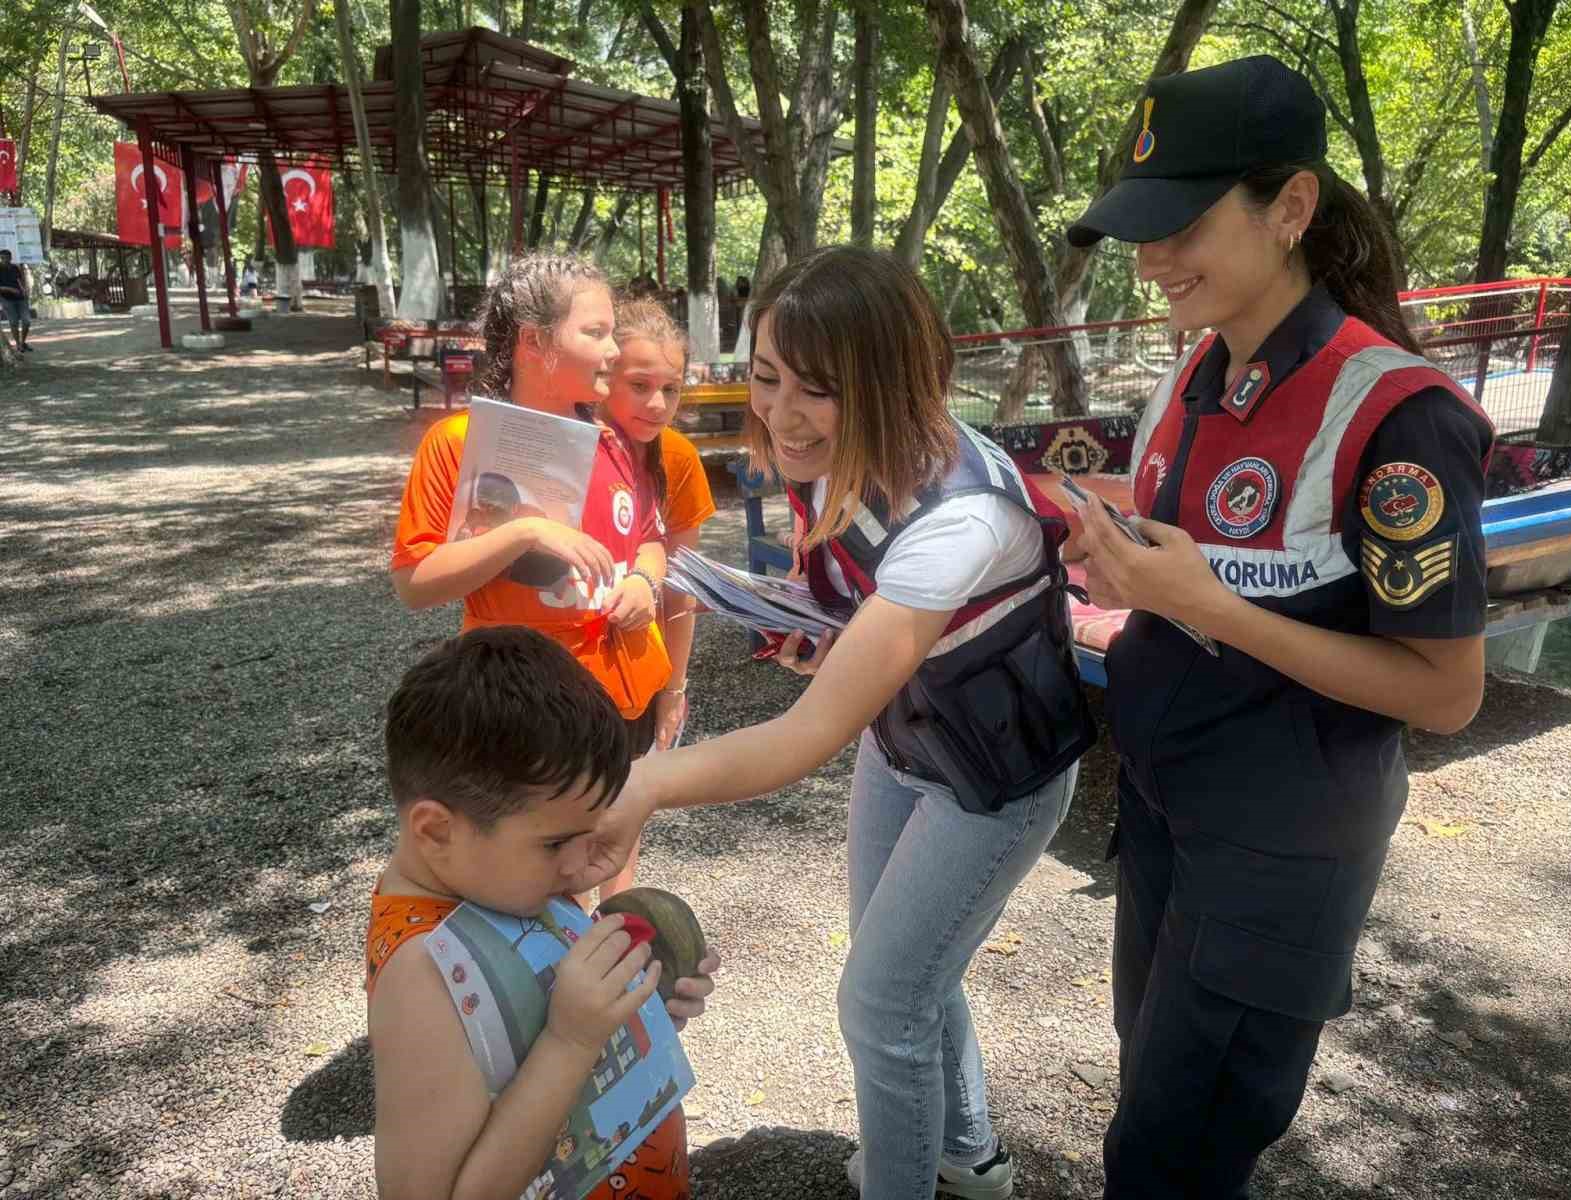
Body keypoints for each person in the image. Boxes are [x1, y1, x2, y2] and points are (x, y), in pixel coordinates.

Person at [572, 246, 1098, 1199]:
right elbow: (855, 607)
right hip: (906, 741)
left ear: (893, 385)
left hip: (996, 780)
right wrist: (810, 626)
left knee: (882, 1003)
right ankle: (969, 1155)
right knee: (909, 963)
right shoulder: (833, 455)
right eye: (767, 379)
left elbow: (801, 738)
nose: (780, 414)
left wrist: (641, 782)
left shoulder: (965, 518)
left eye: (819, 391)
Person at [1062, 55, 1495, 1199]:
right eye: (1141, 229)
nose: (1152, 260)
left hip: (1276, 856)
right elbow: (1178, 539)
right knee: (1151, 1112)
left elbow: (1446, 694)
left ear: (1290, 208)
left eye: (1181, 225)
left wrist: (1207, 608)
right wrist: (1093, 536)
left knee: (1171, 1157)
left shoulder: (1395, 416)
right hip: (1162, 815)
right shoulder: (1198, 372)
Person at [366, 625, 720, 1200]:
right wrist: (573, 1039)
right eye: (558, 843)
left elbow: (518, 1029)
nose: (587, 863)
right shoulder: (422, 974)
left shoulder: (500, 880)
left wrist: (636, 1007)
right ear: (436, 831)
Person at [391, 252, 674, 755]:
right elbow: (414, 585)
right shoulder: (458, 442)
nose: (613, 349)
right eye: (595, 332)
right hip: (521, 704)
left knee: (620, 832)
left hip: (626, 692)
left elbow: (650, 538)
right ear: (533, 340)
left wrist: (643, 582)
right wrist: (525, 532)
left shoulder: (615, 439)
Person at [593, 296, 716, 899]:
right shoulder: (575, 448)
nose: (657, 404)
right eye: (639, 385)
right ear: (604, 377)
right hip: (565, 674)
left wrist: (675, 689)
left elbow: (681, 588)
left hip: (639, 677)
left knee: (623, 818)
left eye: (670, 388)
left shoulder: (680, 460)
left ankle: (616, 932)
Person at [0, 249, 32, 353]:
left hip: (21, 298)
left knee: (26, 321)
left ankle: (23, 342)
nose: (5, 260)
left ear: (10, 258)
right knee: (13, 322)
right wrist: (9, 289)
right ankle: (18, 344)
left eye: (7, 258)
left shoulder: (15, 268)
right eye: (3, 258)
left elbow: (20, 280)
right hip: (7, 299)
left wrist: (24, 289)